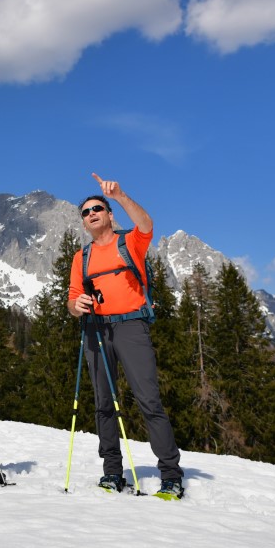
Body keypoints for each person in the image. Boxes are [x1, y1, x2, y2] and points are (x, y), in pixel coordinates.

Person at [68, 174, 185, 499]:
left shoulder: (129, 241)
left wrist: (119, 195)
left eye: (97, 209)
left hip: (132, 327)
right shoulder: (82, 257)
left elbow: (147, 223)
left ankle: (171, 475)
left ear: (109, 215)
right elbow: (72, 298)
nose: (91, 214)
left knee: (149, 401)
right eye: (86, 212)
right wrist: (77, 306)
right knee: (104, 404)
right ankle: (112, 473)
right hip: (96, 331)